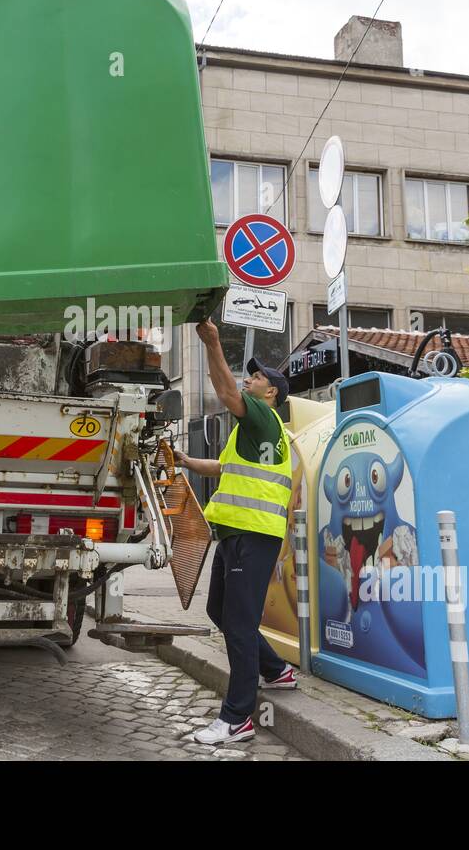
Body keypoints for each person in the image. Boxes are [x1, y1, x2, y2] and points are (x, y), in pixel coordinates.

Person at [175, 318, 298, 746]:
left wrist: (211, 342)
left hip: (252, 534)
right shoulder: (253, 431)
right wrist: (188, 463)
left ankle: (237, 718)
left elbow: (226, 390)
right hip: (234, 534)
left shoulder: (262, 417)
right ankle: (278, 670)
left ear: (271, 394)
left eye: (258, 376)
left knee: (240, 625)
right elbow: (225, 468)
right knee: (219, 613)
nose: (250, 379)